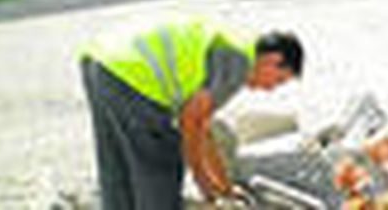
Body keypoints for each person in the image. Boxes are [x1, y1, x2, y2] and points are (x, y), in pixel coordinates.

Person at [80, 18, 304, 209]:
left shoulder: (230, 47)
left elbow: (204, 131)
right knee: (161, 164)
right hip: (132, 77)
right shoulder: (238, 63)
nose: (271, 88)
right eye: (279, 79)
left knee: (117, 162)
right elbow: (191, 122)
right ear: (273, 60)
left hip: (100, 64)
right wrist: (204, 184)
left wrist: (224, 187)